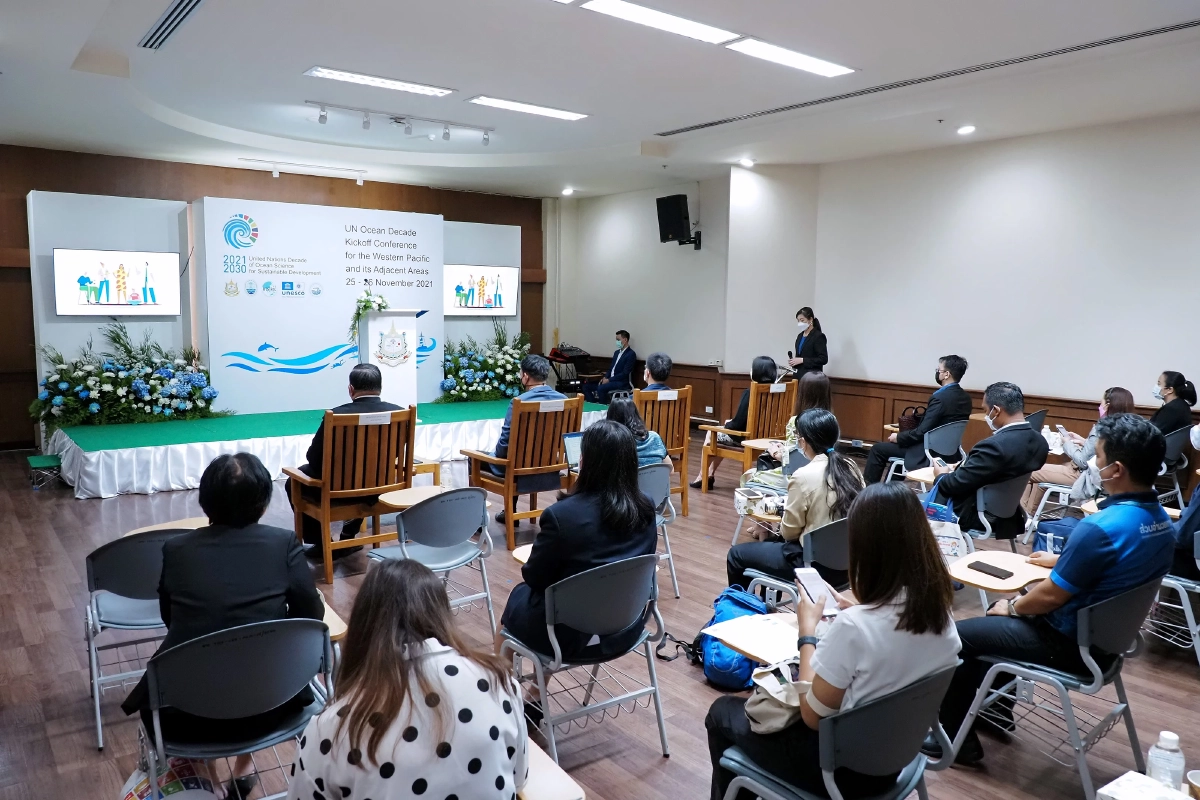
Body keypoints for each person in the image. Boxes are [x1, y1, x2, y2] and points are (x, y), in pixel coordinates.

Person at [927, 414, 1174, 765]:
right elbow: (1118, 564)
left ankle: (953, 740)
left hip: (1070, 645)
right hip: (1109, 642)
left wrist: (1013, 608)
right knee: (1000, 620)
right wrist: (1062, 560)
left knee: (962, 634)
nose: (1094, 464)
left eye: (1098, 457)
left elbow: (1050, 597)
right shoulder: (1160, 521)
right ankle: (995, 711)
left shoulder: (1099, 528)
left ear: (1117, 470)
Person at [707, 482, 961, 800]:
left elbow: (813, 716)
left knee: (722, 712)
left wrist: (807, 633)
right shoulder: (941, 614)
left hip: (842, 773)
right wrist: (861, 610)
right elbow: (893, 644)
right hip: (898, 757)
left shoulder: (855, 628)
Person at [122, 453, 324, 800]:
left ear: (205, 502)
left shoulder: (177, 550)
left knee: (205, 661)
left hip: (190, 716)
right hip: (276, 704)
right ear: (263, 503)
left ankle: (209, 776)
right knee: (258, 658)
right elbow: (311, 615)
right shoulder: (283, 544)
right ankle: (244, 765)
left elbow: (173, 621)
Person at [287, 559, 527, 800]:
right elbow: (518, 778)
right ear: (441, 614)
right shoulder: (499, 683)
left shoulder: (329, 731)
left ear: (364, 626)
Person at [499, 420, 657, 662]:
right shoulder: (646, 506)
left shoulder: (562, 516)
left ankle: (502, 683)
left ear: (584, 461)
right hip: (626, 626)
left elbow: (534, 577)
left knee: (518, 600)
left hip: (566, 636)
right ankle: (534, 684)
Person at [727, 408, 865, 588]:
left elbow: (788, 533)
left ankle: (744, 605)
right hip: (849, 565)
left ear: (803, 442)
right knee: (770, 545)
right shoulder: (851, 466)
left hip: (814, 567)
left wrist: (784, 511)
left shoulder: (803, 476)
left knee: (736, 555)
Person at [285, 364, 401, 559]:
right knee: (365, 475)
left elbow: (313, 458)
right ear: (380, 387)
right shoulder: (399, 413)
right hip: (381, 488)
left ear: (351, 389)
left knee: (294, 481)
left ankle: (322, 544)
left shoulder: (337, 415)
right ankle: (348, 537)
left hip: (339, 492)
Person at [930, 381, 1049, 540]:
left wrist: (941, 474)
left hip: (980, 517)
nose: (987, 416)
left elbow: (953, 485)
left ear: (996, 411)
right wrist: (967, 466)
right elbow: (999, 469)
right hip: (1009, 516)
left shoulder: (994, 447)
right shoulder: (1040, 442)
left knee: (912, 505)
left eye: (986, 410)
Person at [1020, 387, 1135, 514]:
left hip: (1082, 475)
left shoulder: (1101, 428)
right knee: (1041, 477)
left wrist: (1067, 443)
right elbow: (1106, 451)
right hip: (1104, 478)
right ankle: (1029, 514)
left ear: (1107, 405)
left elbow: (1082, 461)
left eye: (1101, 403)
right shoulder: (1127, 429)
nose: (1099, 407)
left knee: (1028, 470)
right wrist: (1085, 442)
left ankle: (1022, 515)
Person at [863, 355, 972, 484]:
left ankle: (868, 491)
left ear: (946, 374)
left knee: (877, 449)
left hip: (928, 453)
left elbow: (921, 432)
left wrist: (898, 437)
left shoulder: (940, 398)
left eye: (939, 370)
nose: (937, 373)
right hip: (951, 453)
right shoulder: (966, 398)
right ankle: (892, 490)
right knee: (900, 448)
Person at [491, 354, 566, 526]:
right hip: (552, 466)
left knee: (475, 460)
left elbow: (505, 442)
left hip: (519, 468)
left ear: (525, 376)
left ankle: (500, 515)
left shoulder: (519, 402)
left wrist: (497, 456)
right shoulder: (564, 400)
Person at [692, 356, 778, 489]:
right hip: (769, 438)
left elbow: (737, 425)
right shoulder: (778, 392)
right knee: (720, 440)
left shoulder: (751, 392)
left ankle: (702, 477)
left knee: (711, 433)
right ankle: (709, 474)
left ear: (755, 372)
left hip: (746, 439)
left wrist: (728, 424)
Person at [740, 372, 833, 489]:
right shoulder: (831, 420)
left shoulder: (796, 421)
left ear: (803, 393)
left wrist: (775, 453)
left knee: (748, 475)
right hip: (825, 474)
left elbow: (796, 461)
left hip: (797, 476)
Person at [606, 396, 668, 467]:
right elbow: (670, 469)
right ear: (636, 413)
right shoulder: (655, 437)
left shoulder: (613, 441)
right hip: (656, 474)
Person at [584, 330, 637, 404]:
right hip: (610, 380)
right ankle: (593, 406)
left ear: (625, 340)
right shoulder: (616, 353)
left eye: (618, 340)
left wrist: (609, 380)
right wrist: (605, 377)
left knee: (601, 388)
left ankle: (603, 407)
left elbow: (625, 373)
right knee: (586, 387)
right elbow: (611, 368)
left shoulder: (631, 354)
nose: (617, 342)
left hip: (621, 382)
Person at [1149, 370, 1196, 436]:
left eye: (1159, 384)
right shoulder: (1181, 404)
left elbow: (1154, 434)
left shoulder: (1171, 409)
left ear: (1170, 390)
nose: (1156, 386)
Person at [787, 307, 828, 378]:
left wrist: (803, 360)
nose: (800, 323)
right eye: (798, 321)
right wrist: (794, 362)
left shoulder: (818, 336)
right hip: (798, 376)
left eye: (802, 320)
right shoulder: (800, 336)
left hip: (812, 377)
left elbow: (823, 359)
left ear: (810, 319)